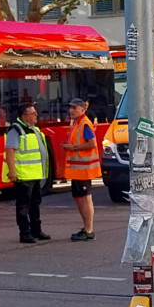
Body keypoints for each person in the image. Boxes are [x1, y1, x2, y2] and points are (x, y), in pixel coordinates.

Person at [2, 102, 49, 244]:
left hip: (35, 174)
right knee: (23, 206)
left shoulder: (34, 129)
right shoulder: (16, 130)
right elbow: (9, 151)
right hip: (23, 175)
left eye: (36, 113)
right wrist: (12, 172)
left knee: (35, 203)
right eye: (33, 114)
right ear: (24, 116)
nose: (36, 115)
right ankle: (25, 233)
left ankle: (36, 230)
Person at [60, 97, 101, 241]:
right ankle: (86, 228)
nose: (71, 110)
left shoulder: (84, 123)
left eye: (74, 108)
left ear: (83, 109)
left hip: (83, 169)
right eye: (70, 108)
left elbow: (92, 143)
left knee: (85, 199)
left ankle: (89, 230)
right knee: (80, 198)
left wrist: (73, 147)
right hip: (78, 170)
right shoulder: (78, 123)